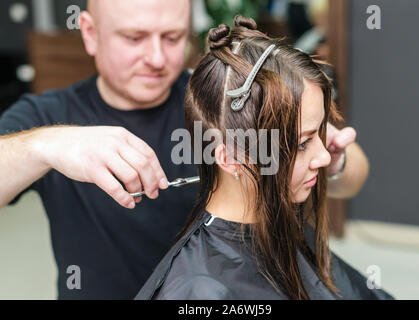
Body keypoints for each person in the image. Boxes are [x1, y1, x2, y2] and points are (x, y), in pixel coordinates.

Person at [0, 1, 367, 299]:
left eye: (173, 37)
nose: (157, 58)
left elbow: (353, 177)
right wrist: (45, 145)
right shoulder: (47, 117)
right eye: (134, 38)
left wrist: (327, 160)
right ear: (91, 33)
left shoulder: (225, 103)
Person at [136, 16, 393, 300]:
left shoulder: (281, 227)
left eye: (320, 131)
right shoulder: (200, 291)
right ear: (231, 157)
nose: (323, 156)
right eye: (303, 143)